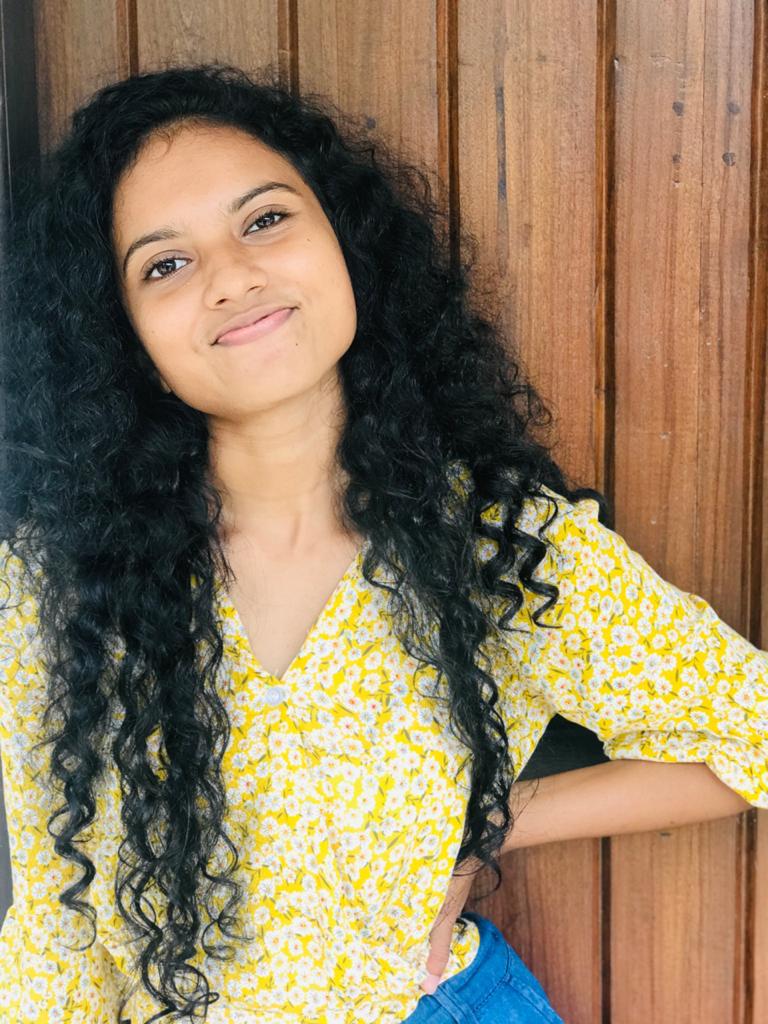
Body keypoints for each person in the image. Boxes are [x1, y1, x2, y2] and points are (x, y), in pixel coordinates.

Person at [0, 62, 762, 1024]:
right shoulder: (53, 585)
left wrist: (486, 826)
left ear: (348, 247)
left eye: (264, 219)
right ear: (127, 341)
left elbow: (750, 733)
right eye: (165, 264)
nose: (232, 276)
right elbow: (58, 932)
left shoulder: (499, 547)